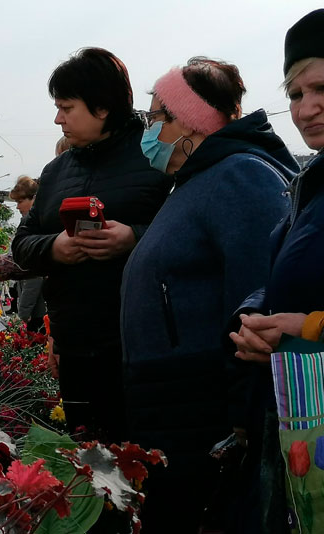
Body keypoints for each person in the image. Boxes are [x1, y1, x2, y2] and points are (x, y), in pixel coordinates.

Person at [117, 58, 296, 533]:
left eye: (157, 116)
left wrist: (239, 420)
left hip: (203, 411)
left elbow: (255, 302)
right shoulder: (194, 181)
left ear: (189, 125)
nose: (149, 128)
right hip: (172, 408)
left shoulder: (241, 176)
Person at [11, 48, 170, 443]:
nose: (57, 118)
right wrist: (55, 248)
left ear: (101, 108)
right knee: (89, 461)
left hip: (142, 347)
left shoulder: (157, 159)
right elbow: (22, 244)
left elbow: (190, 232)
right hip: (77, 346)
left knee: (142, 460)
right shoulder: (56, 171)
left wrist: (133, 237)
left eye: (66, 107)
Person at [227, 9, 324, 533]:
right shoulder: (310, 183)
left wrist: (306, 326)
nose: (306, 109)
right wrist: (255, 313)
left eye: (321, 88)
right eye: (294, 94)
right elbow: (288, 276)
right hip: (298, 421)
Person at [0, 175, 46, 331]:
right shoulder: (30, 224)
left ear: (34, 199)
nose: (17, 207)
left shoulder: (38, 227)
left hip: (37, 312)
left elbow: (35, 275)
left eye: (20, 202)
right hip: (34, 309)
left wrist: (23, 315)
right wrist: (0, 265)